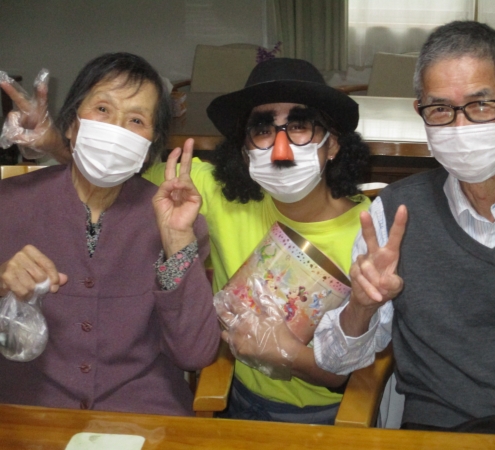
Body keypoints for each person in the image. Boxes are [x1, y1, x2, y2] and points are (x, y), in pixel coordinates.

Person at [1, 57, 372, 424]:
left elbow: (357, 355)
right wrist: (55, 142)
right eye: (262, 129)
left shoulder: (369, 229)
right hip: (234, 400)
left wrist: (178, 241)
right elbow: (104, 166)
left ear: (333, 143)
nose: (281, 148)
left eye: (300, 126)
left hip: (321, 409)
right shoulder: (209, 190)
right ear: (244, 147)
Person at [314, 21, 495, 438]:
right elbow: (334, 361)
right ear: (421, 114)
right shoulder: (393, 215)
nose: (461, 128)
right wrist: (361, 306)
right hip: (434, 432)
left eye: (481, 105)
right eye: (441, 110)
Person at [0, 53, 220, 416]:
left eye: (136, 120)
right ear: (71, 125)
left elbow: (195, 353)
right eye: (102, 109)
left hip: (145, 415)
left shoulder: (179, 219)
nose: (116, 129)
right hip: (33, 412)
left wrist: (177, 240)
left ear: (150, 146)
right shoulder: (9, 204)